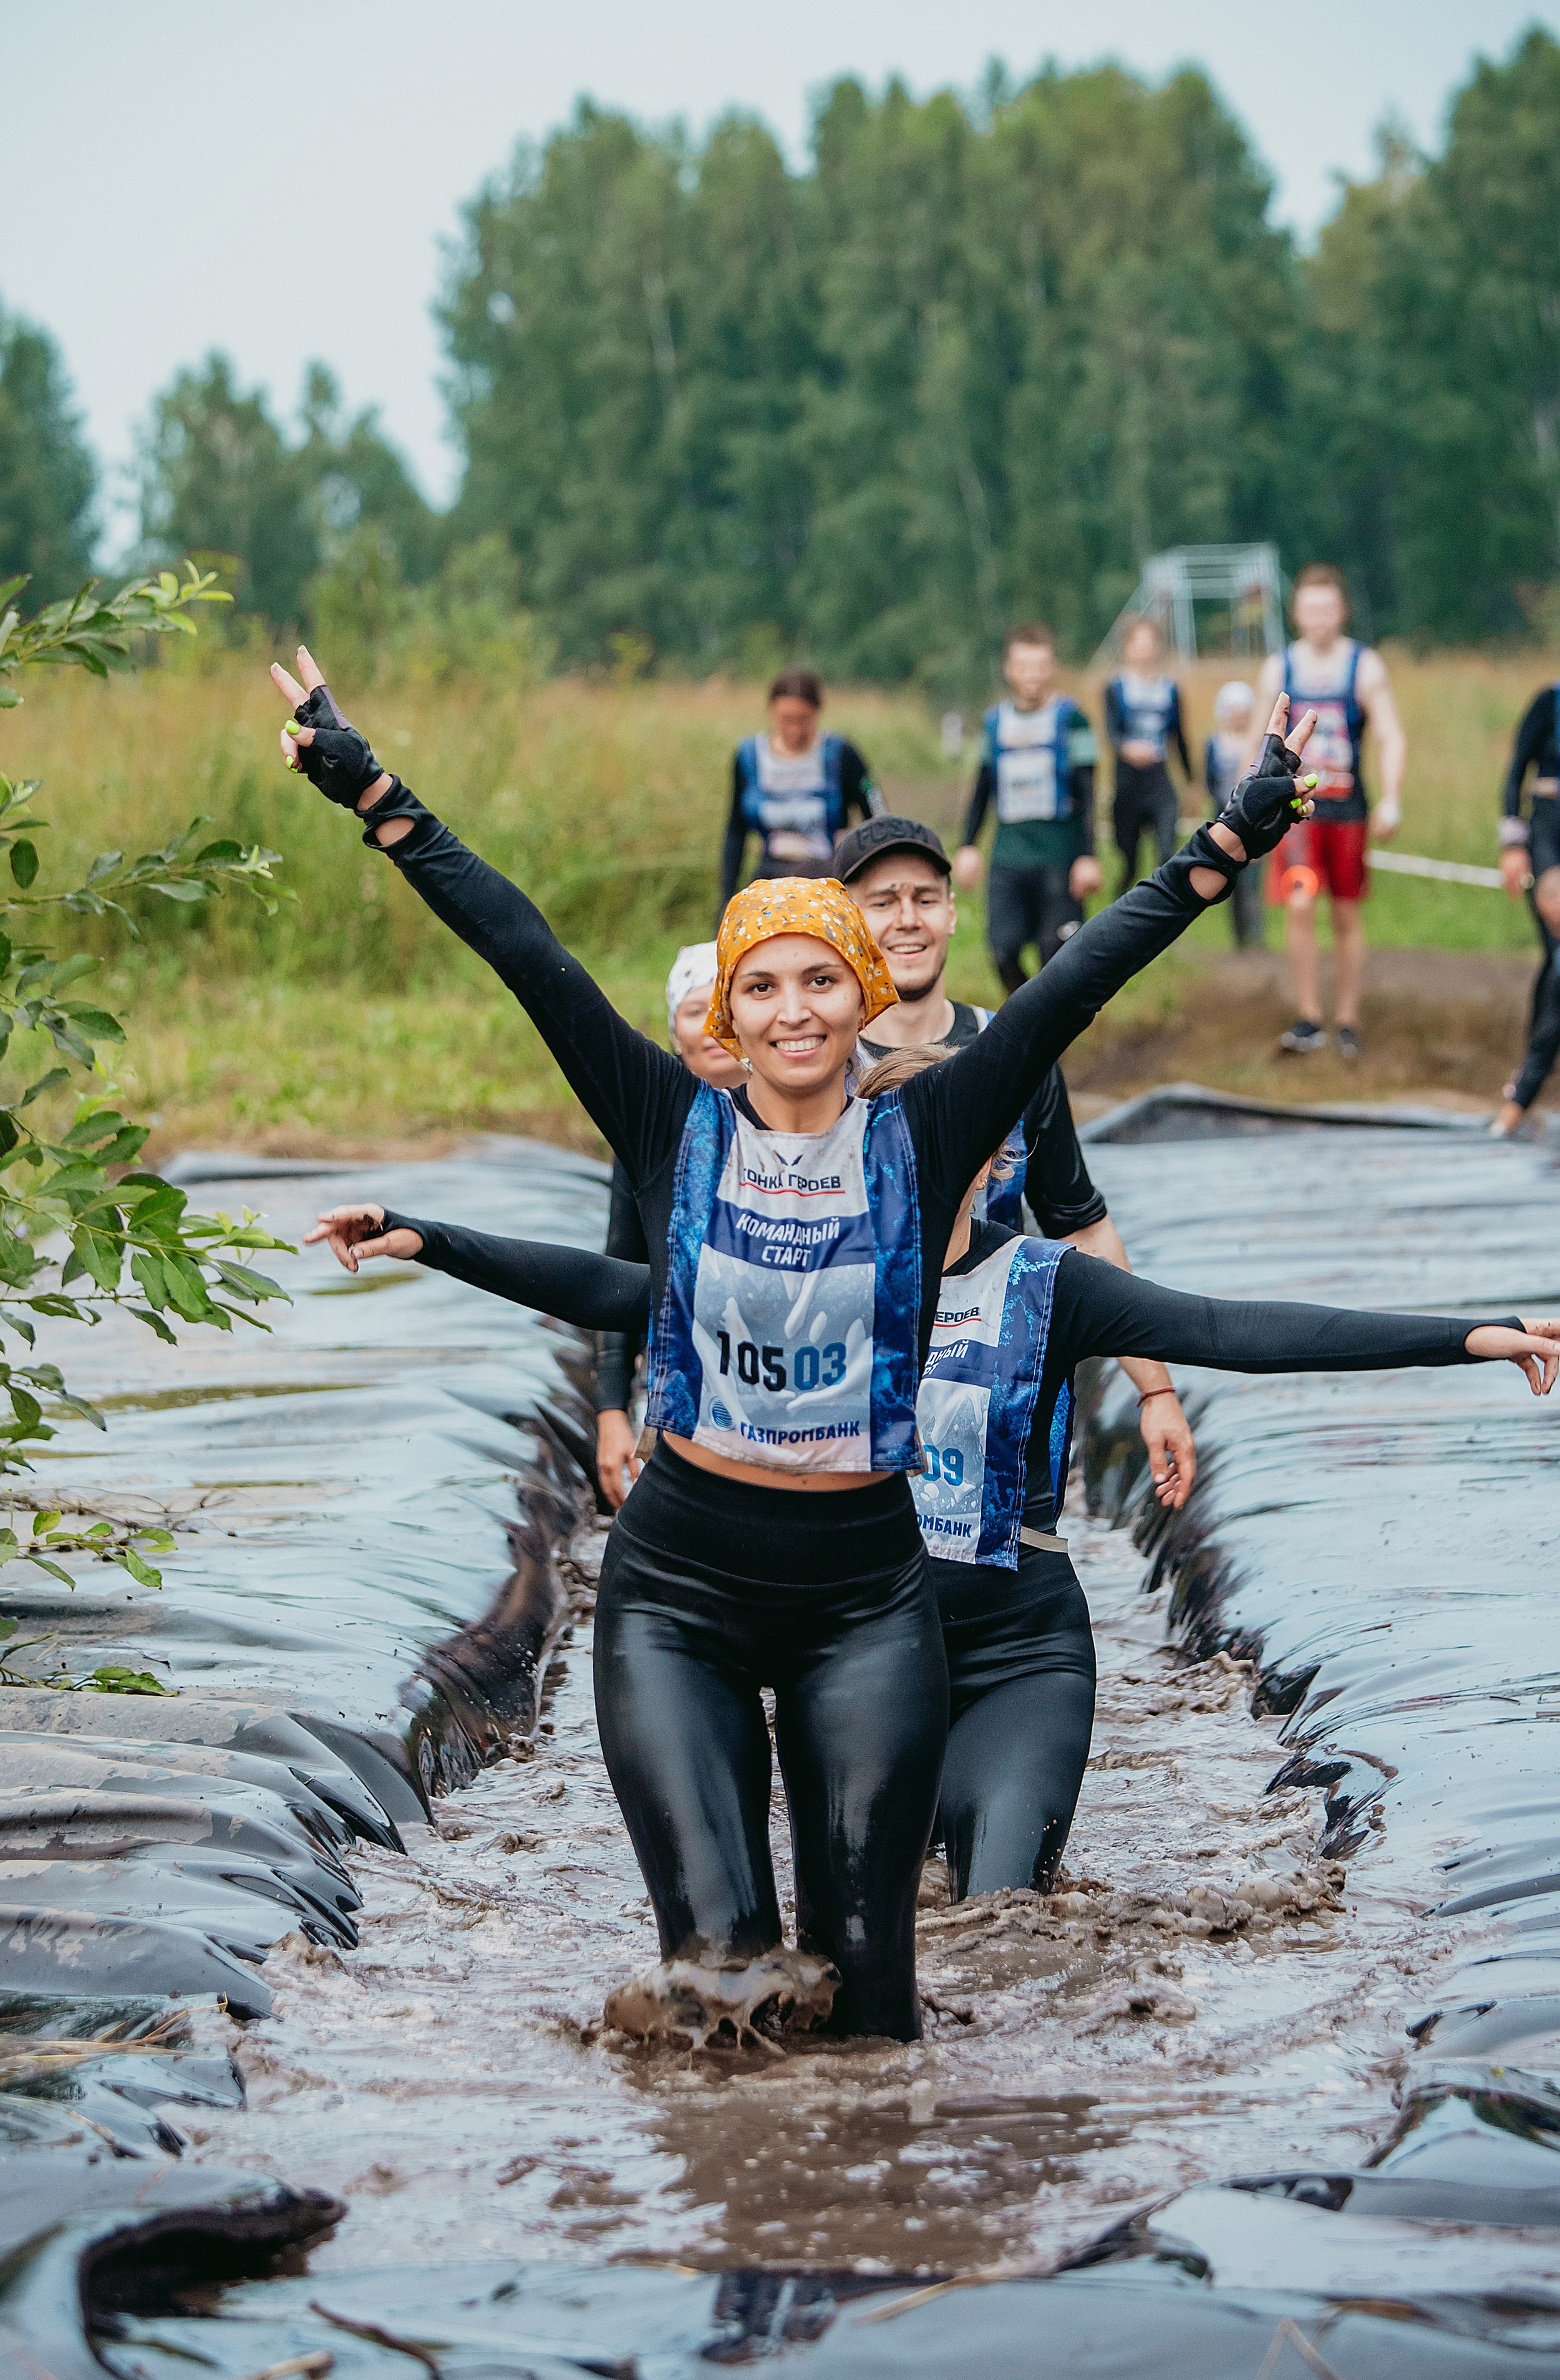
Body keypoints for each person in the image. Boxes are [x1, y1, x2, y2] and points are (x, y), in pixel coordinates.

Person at [272, 643, 1314, 2043]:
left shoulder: (931, 1132)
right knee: (722, 1972)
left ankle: (864, 2229)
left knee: (873, 2011)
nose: (792, 1011)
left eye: (819, 982)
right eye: (759, 988)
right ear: (726, 1018)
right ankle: (736, 2223)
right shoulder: (663, 1124)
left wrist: (1233, 831)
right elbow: (522, 948)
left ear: (859, 998)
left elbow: (1087, 973)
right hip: (682, 1593)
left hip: (863, 1601)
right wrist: (368, 786)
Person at [306, 1151, 1558, 1906]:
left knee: (1006, 1914)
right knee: (873, 1928)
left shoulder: (1049, 1283)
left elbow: (1232, 1328)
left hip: (1020, 1652)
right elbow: (606, 1286)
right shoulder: (804, 1283)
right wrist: (435, 1239)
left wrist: (1464, 1336)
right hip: (852, 1661)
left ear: (982, 1159)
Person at [833, 813, 1196, 1507]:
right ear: (846, 918)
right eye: (881, 902)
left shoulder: (1012, 1050)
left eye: (924, 899)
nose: (906, 920)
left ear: (952, 913)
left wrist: (1155, 1390)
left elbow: (1079, 1224)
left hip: (1001, 1405)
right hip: (858, 1399)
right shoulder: (818, 1063)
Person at [594, 943, 744, 1508]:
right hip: (677, 1391)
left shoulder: (807, 1114)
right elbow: (621, 1262)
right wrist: (611, 1412)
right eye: (692, 1012)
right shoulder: (653, 1129)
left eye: (721, 1010)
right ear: (674, 1031)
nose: (709, 1028)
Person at [1251, 563, 1407, 1060]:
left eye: (1328, 608)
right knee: (1300, 902)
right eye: (1310, 608)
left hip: (1348, 811)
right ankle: (1308, 1015)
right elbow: (1260, 740)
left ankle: (1347, 1019)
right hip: (1295, 810)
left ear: (1343, 612)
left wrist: (1393, 797)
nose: (1319, 618)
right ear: (1297, 613)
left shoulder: (1365, 666)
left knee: (1345, 912)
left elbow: (1389, 734)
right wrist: (1243, 805)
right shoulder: (1280, 669)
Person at [954, 624, 1102, 995]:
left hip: (1060, 857)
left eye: (1041, 666)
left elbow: (1088, 791)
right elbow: (982, 789)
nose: (1033, 676)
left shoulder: (1073, 720)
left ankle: (1047, 1040)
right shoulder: (994, 723)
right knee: (1003, 953)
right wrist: (969, 845)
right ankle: (1030, 1024)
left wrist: (1088, 856)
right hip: (1009, 857)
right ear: (1009, 669)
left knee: (1058, 959)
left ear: (1052, 668)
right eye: (1024, 666)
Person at [719, 666, 881, 912]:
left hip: (827, 877)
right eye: (786, 720)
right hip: (770, 876)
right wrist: (726, 901)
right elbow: (735, 832)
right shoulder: (748, 757)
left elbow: (877, 812)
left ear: (817, 713)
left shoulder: (841, 754)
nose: (795, 730)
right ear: (772, 711)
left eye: (803, 720)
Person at [1492, 679, 1560, 1136]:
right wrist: (1514, 843)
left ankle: (1524, 1087)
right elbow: (1516, 768)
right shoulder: (1549, 700)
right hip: (1549, 833)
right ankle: (1525, 1089)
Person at [1105, 615, 1193, 894]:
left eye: (1149, 643)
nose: (1144, 650)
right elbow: (1110, 733)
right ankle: (1119, 919)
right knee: (1128, 859)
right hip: (1127, 780)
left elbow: (1179, 738)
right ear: (1127, 648)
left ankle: (1162, 916)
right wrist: (1126, 748)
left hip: (1159, 779)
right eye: (1138, 644)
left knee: (1166, 853)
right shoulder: (1115, 688)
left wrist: (1192, 782)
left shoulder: (1170, 689)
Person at [1204, 681, 1264, 950]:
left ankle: (1256, 939)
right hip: (1224, 817)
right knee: (1229, 883)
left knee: (1253, 884)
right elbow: (1208, 782)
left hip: (1254, 820)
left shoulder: (1258, 745)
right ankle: (1239, 941)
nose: (1238, 714)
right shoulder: (1213, 744)